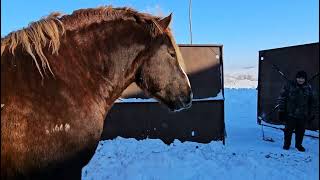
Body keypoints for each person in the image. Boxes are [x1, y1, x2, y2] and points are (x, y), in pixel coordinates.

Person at [277, 70, 315, 152]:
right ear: (296, 78)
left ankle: (298, 145)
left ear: (305, 79)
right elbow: (282, 98)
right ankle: (287, 144)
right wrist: (281, 111)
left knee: (300, 132)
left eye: (302, 78)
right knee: (288, 131)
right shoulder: (289, 85)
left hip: (303, 115)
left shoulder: (308, 87)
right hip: (290, 114)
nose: (300, 80)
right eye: (299, 78)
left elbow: (312, 101)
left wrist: (311, 113)